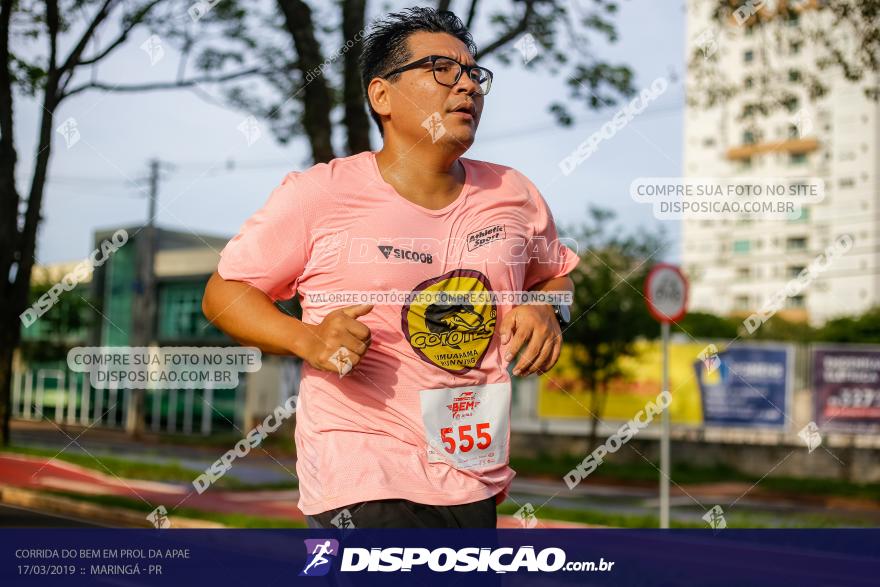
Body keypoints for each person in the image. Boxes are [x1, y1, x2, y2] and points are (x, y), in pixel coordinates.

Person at [202, 6, 579, 528]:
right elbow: (224, 293)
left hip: (472, 476)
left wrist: (545, 306)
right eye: (442, 69)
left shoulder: (512, 194)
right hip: (361, 472)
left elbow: (555, 277)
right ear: (382, 95)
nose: (466, 85)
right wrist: (306, 339)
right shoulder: (319, 194)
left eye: (474, 74)